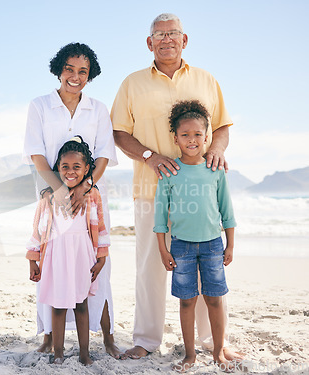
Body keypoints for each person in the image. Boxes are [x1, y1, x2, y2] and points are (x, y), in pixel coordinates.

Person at [111, 13, 243, 360]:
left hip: (201, 196)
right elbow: (120, 133)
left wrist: (217, 148)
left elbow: (223, 126)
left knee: (205, 267)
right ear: (149, 43)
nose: (167, 39)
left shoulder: (206, 80)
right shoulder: (132, 83)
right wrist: (149, 156)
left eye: (173, 33)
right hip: (151, 189)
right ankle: (146, 339)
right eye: (159, 34)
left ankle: (211, 342)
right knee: (150, 266)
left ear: (185, 40)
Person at [23, 42, 121, 358]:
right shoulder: (39, 105)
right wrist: (62, 192)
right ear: (59, 69)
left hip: (90, 200)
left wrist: (85, 186)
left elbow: (105, 153)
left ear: (90, 75)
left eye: (83, 71)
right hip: (53, 199)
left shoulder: (98, 108)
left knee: (95, 269)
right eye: (69, 68)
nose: (75, 76)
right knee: (53, 268)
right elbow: (37, 155)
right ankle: (50, 337)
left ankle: (106, 336)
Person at [154, 100, 236, 372]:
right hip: (181, 246)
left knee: (214, 298)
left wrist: (230, 245)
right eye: (185, 135)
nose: (192, 140)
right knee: (187, 301)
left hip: (213, 244)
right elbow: (159, 217)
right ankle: (190, 354)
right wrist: (164, 250)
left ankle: (218, 351)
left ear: (207, 136)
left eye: (198, 134)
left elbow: (227, 210)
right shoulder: (169, 172)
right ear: (175, 138)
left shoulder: (215, 170)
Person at [26, 136, 110, 365]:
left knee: (82, 304)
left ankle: (84, 352)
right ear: (57, 169)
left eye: (76, 167)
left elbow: (100, 228)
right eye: (65, 167)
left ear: (86, 170)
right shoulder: (49, 197)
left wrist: (102, 257)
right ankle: (59, 352)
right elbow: (39, 230)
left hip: (82, 254)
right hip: (56, 255)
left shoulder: (91, 195)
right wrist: (33, 258)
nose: (70, 171)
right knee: (58, 305)